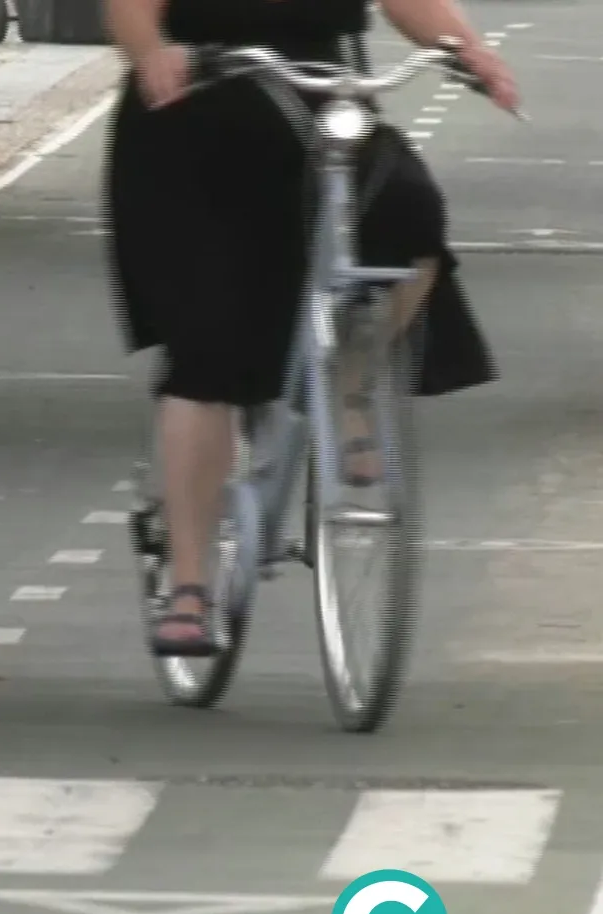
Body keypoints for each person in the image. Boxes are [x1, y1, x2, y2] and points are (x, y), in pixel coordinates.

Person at [103, 0, 520, 657]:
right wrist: (153, 52)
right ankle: (188, 587)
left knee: (410, 217)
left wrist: (469, 51)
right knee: (208, 352)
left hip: (326, 99)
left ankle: (351, 382)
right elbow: (129, 9)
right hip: (194, 105)